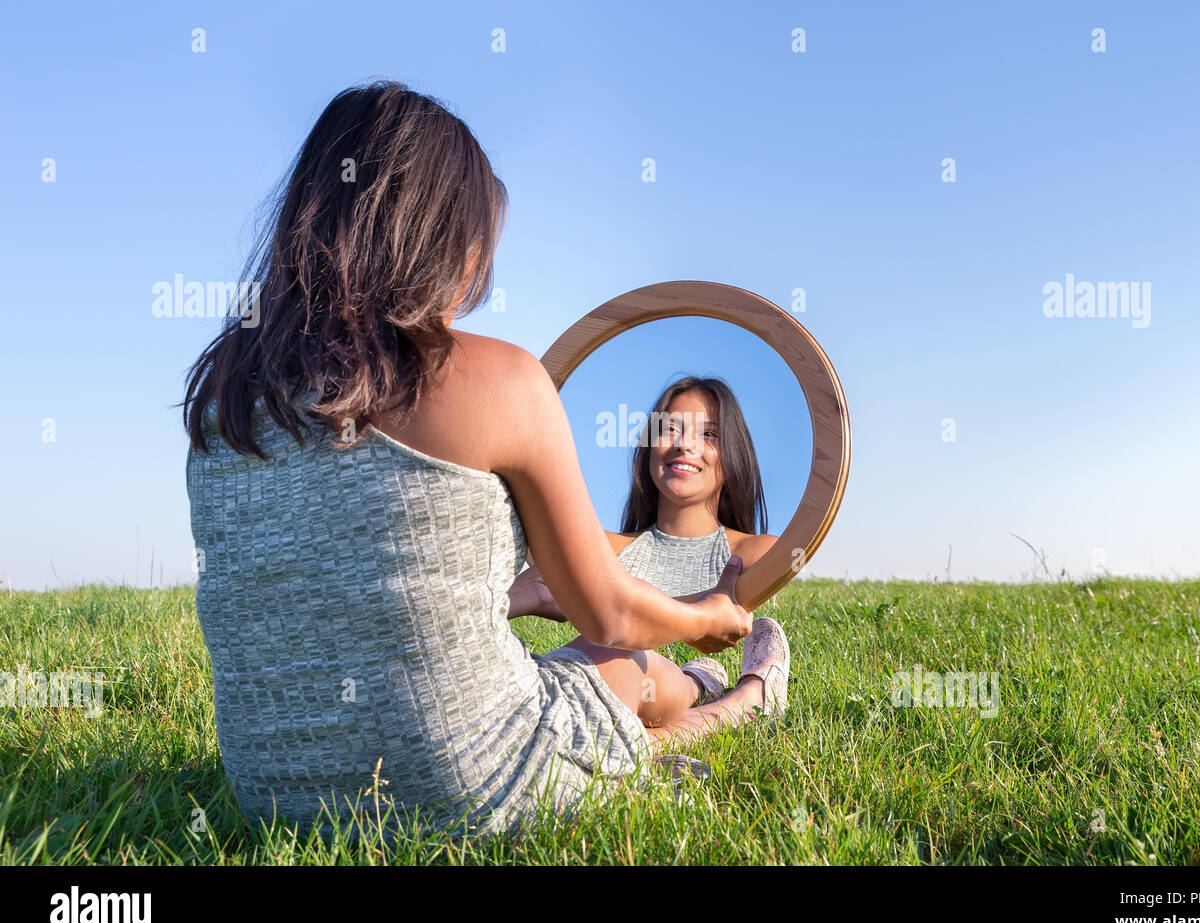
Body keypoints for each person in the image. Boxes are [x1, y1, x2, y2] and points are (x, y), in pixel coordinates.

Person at [182, 81, 786, 839]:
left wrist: (527, 595)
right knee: (631, 669)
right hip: (470, 782)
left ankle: (662, 733)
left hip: (270, 796)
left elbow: (344, 589)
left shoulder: (221, 400)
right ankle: (739, 703)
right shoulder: (497, 379)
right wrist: (704, 619)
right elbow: (614, 610)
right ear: (444, 238)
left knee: (580, 663)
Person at [508, 375, 792, 733]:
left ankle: (701, 685)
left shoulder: (761, 552)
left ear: (733, 454)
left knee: (617, 656)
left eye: (709, 435)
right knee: (617, 654)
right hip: (605, 684)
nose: (684, 445)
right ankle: (722, 697)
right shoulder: (602, 546)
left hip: (616, 685)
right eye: (670, 429)